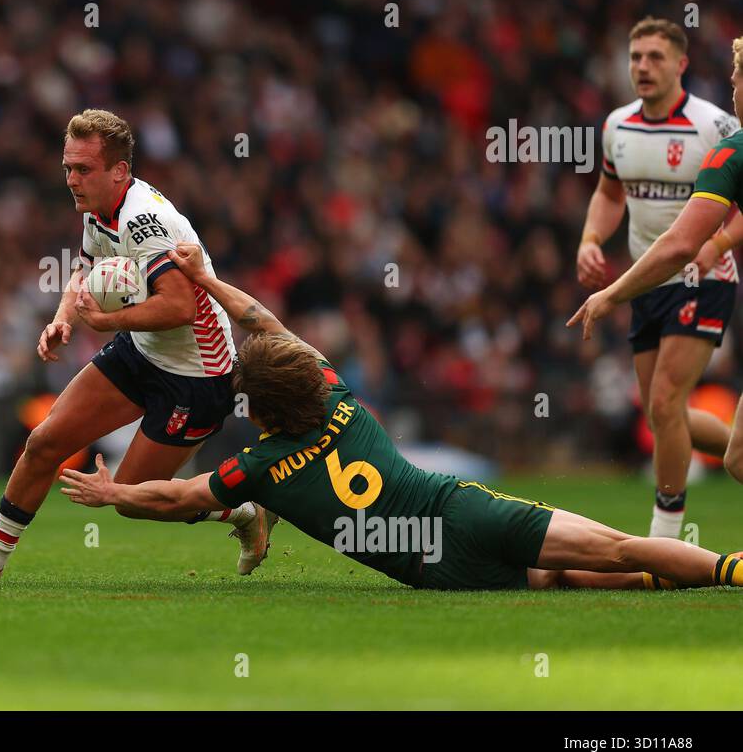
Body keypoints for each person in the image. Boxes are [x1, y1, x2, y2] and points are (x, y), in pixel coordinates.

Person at [59, 242, 743, 591]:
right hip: (459, 510)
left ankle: (660, 578)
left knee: (561, 577)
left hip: (434, 570)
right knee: (614, 546)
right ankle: (726, 571)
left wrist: (113, 492)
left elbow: (176, 496)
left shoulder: (260, 468)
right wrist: (205, 278)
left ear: (259, 409)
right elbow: (260, 318)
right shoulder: (338, 398)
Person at [0, 109, 269, 583]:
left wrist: (107, 321)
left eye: (83, 169)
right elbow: (86, 271)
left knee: (130, 497)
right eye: (68, 167)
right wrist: (62, 319)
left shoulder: (146, 221)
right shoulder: (99, 209)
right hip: (142, 350)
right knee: (44, 442)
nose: (71, 179)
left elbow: (181, 306)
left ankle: (244, 512)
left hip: (197, 375)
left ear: (119, 171)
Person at [577, 16, 743, 537]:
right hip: (647, 281)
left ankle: (665, 539)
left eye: (655, 57)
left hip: (702, 278)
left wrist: (716, 244)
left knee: (668, 400)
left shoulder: (717, 128)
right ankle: (740, 444)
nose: (643, 67)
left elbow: (728, 214)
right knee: (660, 414)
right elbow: (608, 195)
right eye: (635, 57)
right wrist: (589, 240)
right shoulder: (616, 127)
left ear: (681, 64)